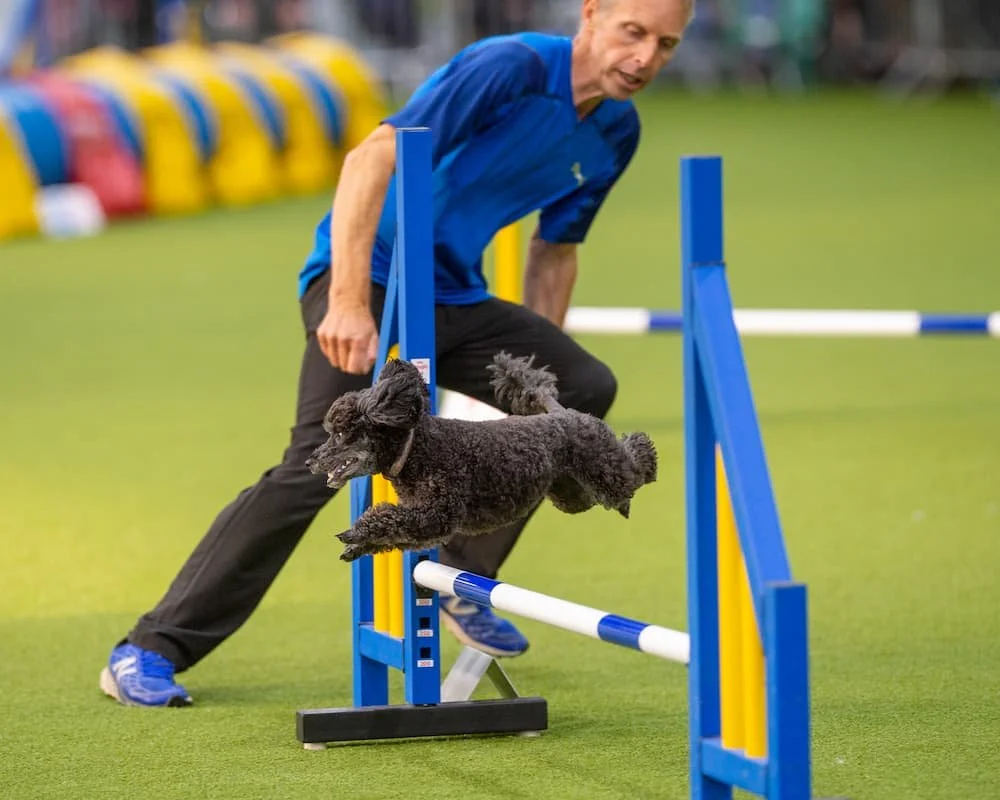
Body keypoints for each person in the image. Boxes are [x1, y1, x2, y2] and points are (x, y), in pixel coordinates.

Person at [99, 0, 693, 707]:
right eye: (633, 33)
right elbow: (372, 157)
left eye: (666, 45)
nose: (645, 58)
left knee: (580, 392)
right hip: (369, 278)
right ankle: (149, 647)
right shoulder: (508, 68)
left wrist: (532, 392)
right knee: (315, 463)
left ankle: (453, 576)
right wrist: (348, 298)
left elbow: (555, 248)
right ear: (591, 14)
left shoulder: (617, 133)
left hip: (455, 297)